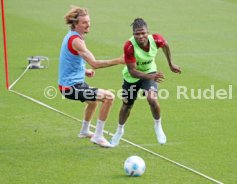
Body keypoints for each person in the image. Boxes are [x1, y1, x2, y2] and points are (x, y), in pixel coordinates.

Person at [58, 6, 123, 148]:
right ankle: (98, 136)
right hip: (70, 88)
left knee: (93, 102)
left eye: (89, 21)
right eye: (84, 22)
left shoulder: (73, 36)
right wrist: (118, 61)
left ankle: (84, 131)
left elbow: (69, 59)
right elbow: (95, 63)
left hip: (72, 83)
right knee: (109, 97)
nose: (88, 24)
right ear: (76, 24)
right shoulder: (77, 41)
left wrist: (84, 71)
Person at [110, 18, 181, 146]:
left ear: (148, 32)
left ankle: (158, 126)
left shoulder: (156, 39)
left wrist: (170, 64)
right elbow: (132, 71)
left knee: (152, 99)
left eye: (143, 33)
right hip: (132, 78)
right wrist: (151, 76)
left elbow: (165, 46)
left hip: (150, 72)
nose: (141, 36)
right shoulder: (129, 46)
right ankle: (119, 131)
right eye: (137, 34)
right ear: (133, 34)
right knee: (127, 106)